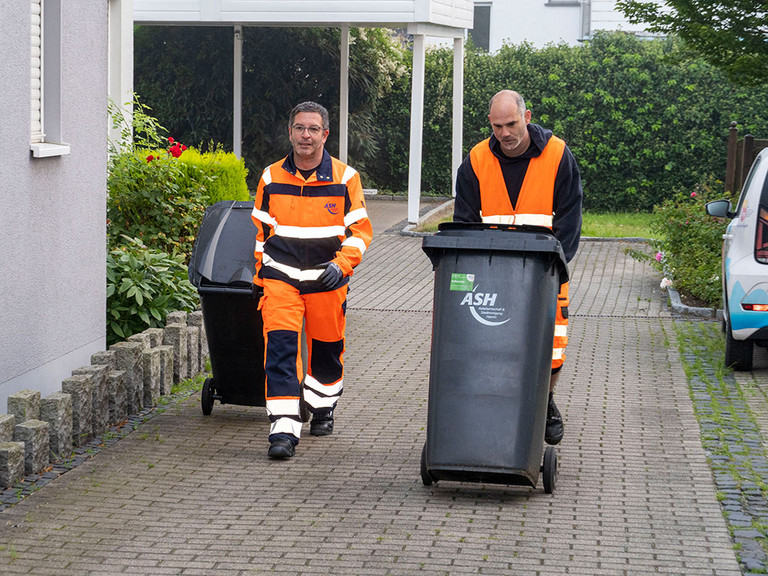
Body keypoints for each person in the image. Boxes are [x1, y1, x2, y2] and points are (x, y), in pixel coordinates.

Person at [453, 89, 582, 445]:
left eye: (511, 124)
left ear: (527, 117)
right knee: (488, 344)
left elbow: (570, 220)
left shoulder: (558, 155)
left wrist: (556, 266)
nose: (504, 133)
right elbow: (463, 221)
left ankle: (545, 401)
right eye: (497, 126)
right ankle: (491, 406)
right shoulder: (477, 160)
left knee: (552, 348)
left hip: (545, 270)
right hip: (490, 272)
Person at [251, 101, 373, 459]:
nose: (306, 135)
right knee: (280, 350)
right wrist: (261, 277)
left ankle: (322, 407)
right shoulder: (270, 178)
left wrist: (342, 264)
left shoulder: (346, 178)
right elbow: (260, 233)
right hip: (281, 278)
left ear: (325, 134)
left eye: (313, 129)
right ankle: (283, 430)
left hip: (327, 278)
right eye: (300, 128)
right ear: (290, 132)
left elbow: (360, 232)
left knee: (327, 350)